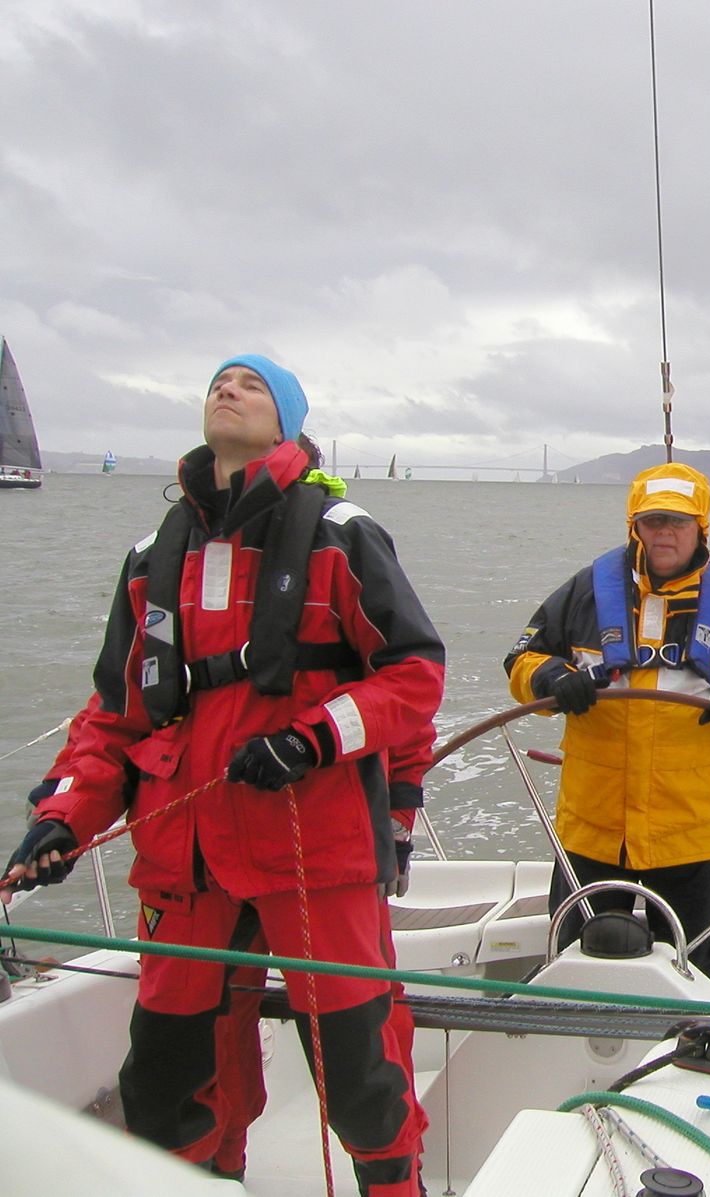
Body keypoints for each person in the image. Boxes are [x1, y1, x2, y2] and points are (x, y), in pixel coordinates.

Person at [2, 355, 445, 1197]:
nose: (227, 389)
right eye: (218, 381)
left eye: (251, 384)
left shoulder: (341, 534)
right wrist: (64, 815)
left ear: (288, 421)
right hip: (185, 861)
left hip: (314, 850)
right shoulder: (150, 557)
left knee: (362, 1073)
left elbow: (414, 676)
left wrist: (312, 739)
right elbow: (116, 715)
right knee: (168, 1080)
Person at [503, 462, 710, 998]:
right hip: (592, 827)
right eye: (653, 520)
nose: (665, 532)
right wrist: (552, 679)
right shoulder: (584, 594)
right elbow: (521, 662)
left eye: (678, 521)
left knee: (701, 969)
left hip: (689, 832)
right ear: (634, 526)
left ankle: (708, 1039)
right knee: (573, 962)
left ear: (700, 528)